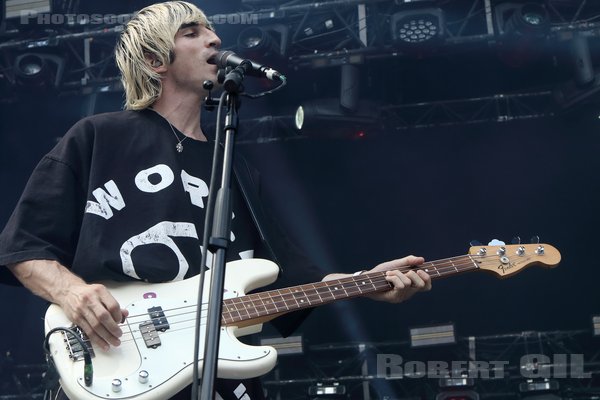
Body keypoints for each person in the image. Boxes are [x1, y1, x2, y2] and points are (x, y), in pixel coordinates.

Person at [0, 2, 431, 399]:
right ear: (155, 61)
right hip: (117, 358)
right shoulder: (97, 137)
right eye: (191, 33)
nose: (214, 39)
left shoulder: (237, 171)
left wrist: (367, 282)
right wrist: (74, 293)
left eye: (211, 31)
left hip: (221, 381)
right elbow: (23, 247)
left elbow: (293, 279)